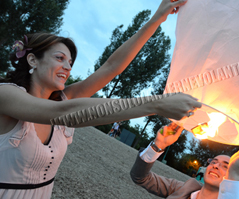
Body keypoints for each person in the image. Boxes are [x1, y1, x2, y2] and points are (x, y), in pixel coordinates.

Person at [0, 0, 200, 198]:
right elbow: (63, 114)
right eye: (60, 58)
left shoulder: (63, 99)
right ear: (33, 59)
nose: (68, 67)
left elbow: (111, 67)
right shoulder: (6, 94)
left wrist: (158, 17)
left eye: (70, 62)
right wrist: (157, 104)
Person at [130, 123, 239, 199]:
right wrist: (157, 145)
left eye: (225, 166)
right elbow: (140, 177)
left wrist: (234, 175)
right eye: (213, 162)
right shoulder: (185, 188)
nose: (215, 166)